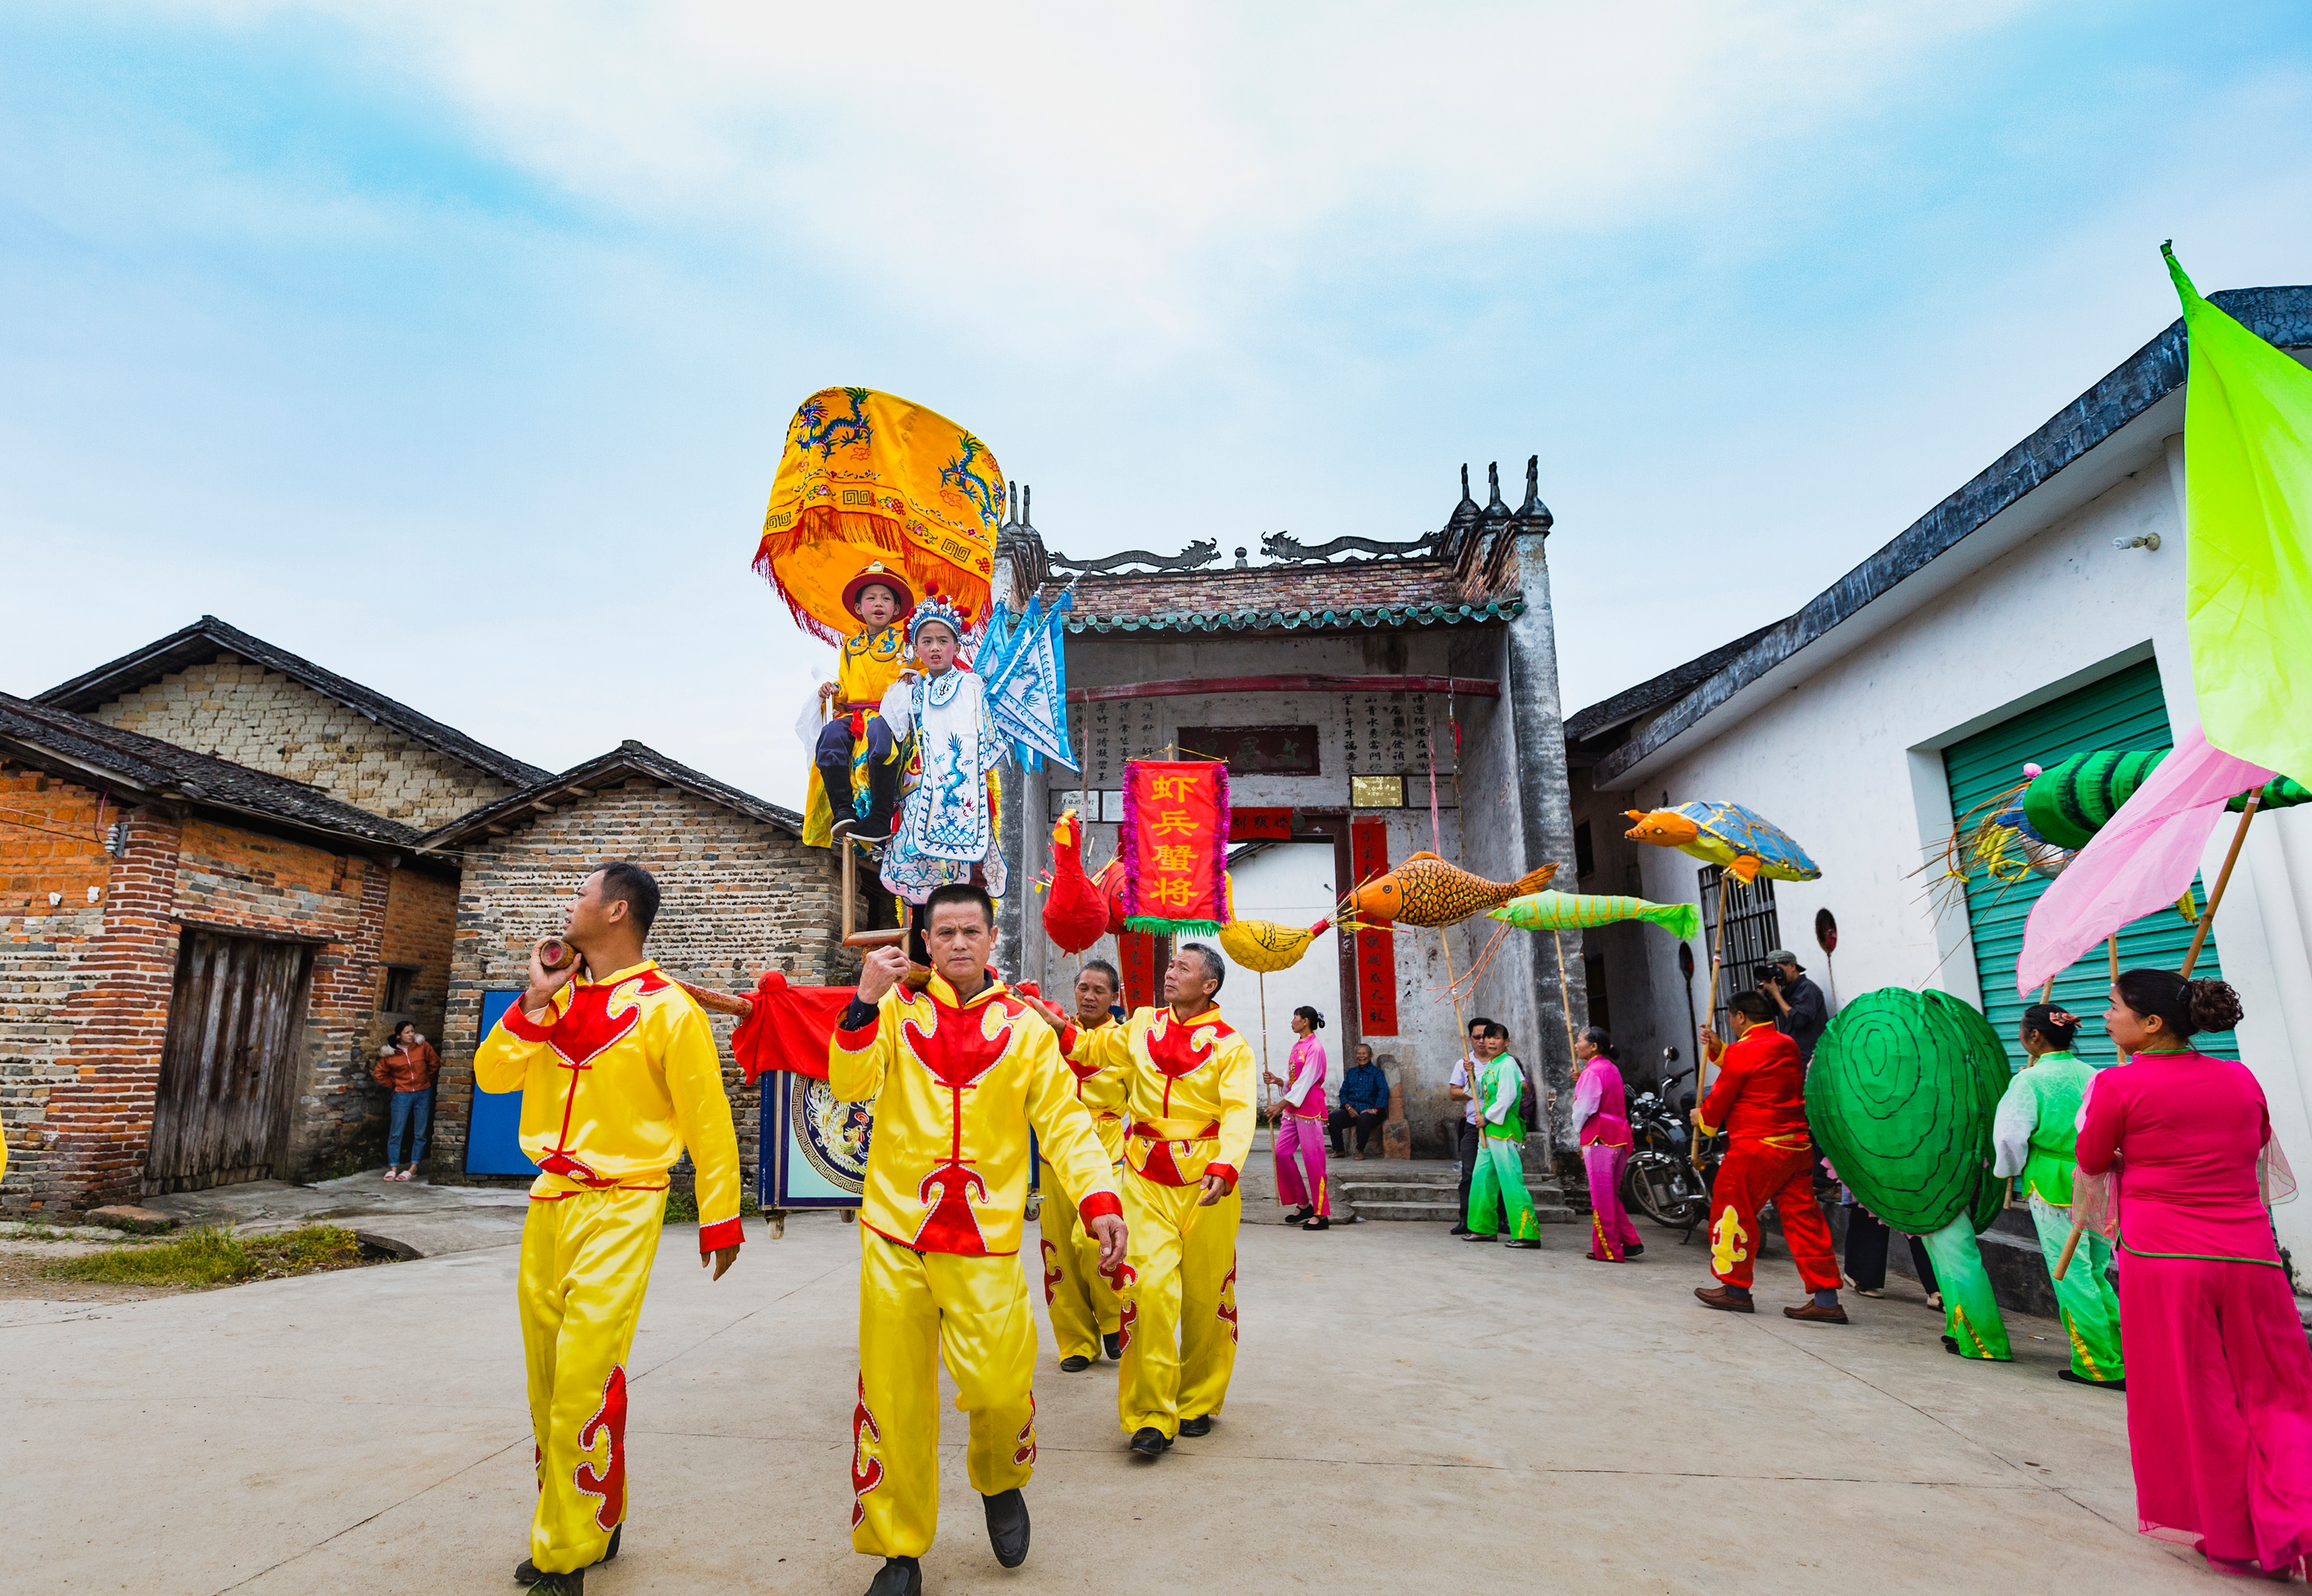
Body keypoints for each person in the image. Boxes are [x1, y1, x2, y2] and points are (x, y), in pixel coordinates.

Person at [832, 885, 1125, 1596]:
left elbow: (1063, 1122)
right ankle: (898, 1551)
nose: (958, 943)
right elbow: (848, 1083)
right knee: (895, 1398)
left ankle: (999, 1479)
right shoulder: (894, 1012)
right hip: (897, 1232)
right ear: (925, 943)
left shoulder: (1024, 1029)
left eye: (971, 931)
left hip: (985, 1239)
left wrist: (1097, 1199)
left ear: (993, 939)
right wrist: (863, 1004)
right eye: (944, 933)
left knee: (998, 1388)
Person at [474, 861, 745, 1596]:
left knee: (586, 1375)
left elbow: (708, 1123)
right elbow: (493, 1076)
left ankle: (566, 1552)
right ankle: (594, 1512)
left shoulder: (670, 1010)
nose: (567, 904)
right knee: (546, 1378)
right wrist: (533, 1000)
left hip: (627, 1201)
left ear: (617, 911)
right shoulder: (553, 1001)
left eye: (578, 893)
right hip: (549, 1202)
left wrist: (720, 1218)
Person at [2077, 969, 2312, 1580]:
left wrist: (2134, 1146)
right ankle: (2300, 1522)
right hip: (2252, 1259)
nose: (2105, 1018)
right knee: (2278, 1397)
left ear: (2150, 1024)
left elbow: (2093, 1158)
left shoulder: (2115, 1085)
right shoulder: (2239, 1077)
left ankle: (2237, 1535)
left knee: (2199, 1400)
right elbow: (2253, 1143)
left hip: (2165, 1263)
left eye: (2113, 1008)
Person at [1030, 942, 1255, 1460]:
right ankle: (1151, 1415)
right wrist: (1055, 1025)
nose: (1170, 974)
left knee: (1205, 1298)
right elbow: (1093, 1051)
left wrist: (1226, 1164)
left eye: (1183, 968)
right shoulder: (1141, 1026)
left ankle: (1197, 1399)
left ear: (1209, 985)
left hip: (1207, 1185)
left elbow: (1242, 1110)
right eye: (1171, 966)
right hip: (1144, 1178)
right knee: (1147, 1290)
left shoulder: (1230, 1045)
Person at [1991, 1003, 2123, 1388]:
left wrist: (2009, 1170)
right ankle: (2122, 1353)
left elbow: (2008, 1138)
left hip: (2050, 1182)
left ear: (2033, 1037)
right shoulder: (2094, 1075)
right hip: (2097, 1177)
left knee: (2070, 1274)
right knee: (2096, 1270)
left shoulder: (2029, 1081)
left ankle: (2098, 1363)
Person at [1693, 992, 1844, 1322]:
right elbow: (1753, 1068)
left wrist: (1702, 1118)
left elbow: (1722, 1094)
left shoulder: (1745, 1051)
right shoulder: (1786, 1044)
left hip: (1756, 1147)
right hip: (1797, 1148)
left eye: (1732, 1017)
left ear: (1742, 1017)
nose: (1731, 1023)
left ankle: (1734, 1289)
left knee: (1733, 1210)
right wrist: (1719, 1049)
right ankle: (1826, 1298)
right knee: (1805, 1220)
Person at [878, 597, 1006, 911]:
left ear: (956, 647)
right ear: (916, 649)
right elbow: (894, 733)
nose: (935, 648)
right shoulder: (910, 690)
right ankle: (926, 950)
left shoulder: (969, 685)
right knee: (918, 878)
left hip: (957, 789)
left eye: (943, 641)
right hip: (915, 789)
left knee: (957, 883)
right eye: (927, 641)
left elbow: (985, 739)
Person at [1042, 959, 1129, 1372]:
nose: (1089, 996)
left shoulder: (1124, 1041)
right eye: (1082, 988)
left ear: (1115, 996)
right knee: (1057, 1248)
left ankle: (1114, 1320)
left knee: (1095, 1239)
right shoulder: (1048, 1030)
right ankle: (1075, 1340)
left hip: (1105, 1148)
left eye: (1099, 990)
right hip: (1053, 1151)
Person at [810, 562, 913, 844]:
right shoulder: (850, 646)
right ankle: (843, 810)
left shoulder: (906, 643)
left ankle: (880, 815)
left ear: (895, 609)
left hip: (888, 713)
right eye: (871, 598)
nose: (878, 604)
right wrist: (833, 689)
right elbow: (846, 686)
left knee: (881, 735)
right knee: (830, 736)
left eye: (886, 599)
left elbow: (914, 675)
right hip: (855, 715)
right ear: (859, 608)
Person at [1463, 1022, 1542, 1249]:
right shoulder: (1491, 1066)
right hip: (1489, 1133)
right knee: (1482, 1178)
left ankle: (1528, 1233)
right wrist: (1470, 1074)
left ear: (1506, 1042)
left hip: (1503, 1130)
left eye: (1496, 1038)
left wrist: (1486, 1118)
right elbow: (1476, 1092)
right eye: (1487, 1038)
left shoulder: (1507, 1066)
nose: (1490, 1042)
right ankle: (1482, 1228)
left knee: (1511, 1180)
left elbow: (1506, 1098)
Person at [1571, 1027, 1642, 1262]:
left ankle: (1609, 1248)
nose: (1576, 1045)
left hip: (1600, 1136)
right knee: (1610, 1193)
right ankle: (1630, 1240)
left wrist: (1578, 1128)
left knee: (1601, 1196)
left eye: (1580, 1041)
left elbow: (1585, 1108)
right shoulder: (1610, 1068)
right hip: (1619, 1135)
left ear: (1593, 1046)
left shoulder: (1593, 1073)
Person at [1267, 1005, 1332, 1231]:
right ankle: (1303, 1204)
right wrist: (1278, 1081)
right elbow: (1292, 1079)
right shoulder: (1297, 1046)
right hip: (1293, 1109)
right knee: (1282, 1153)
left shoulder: (1316, 1048)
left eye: (1295, 1017)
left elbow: (1305, 1084)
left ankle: (1322, 1214)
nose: (1292, 1021)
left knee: (1313, 1161)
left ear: (1305, 1021)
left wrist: (1278, 1106)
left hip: (1309, 1108)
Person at [374, 1020, 440, 1181]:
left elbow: (434, 1063)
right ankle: (393, 1167)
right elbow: (379, 1074)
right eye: (407, 1032)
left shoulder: (423, 1047)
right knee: (397, 1132)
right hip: (402, 1095)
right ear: (398, 1036)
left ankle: (413, 1167)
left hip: (423, 1093)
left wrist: (426, 1081)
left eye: (412, 1031)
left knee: (420, 1132)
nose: (411, 1035)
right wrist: (396, 1085)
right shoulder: (390, 1054)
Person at [1446, 1018, 1491, 1235]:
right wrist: (1471, 1087)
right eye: (1477, 1037)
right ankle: (1466, 1218)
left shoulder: (1503, 1062)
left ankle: (1499, 1218)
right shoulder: (1463, 1064)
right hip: (1474, 1124)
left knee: (1497, 1173)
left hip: (1497, 1125)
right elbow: (1453, 1093)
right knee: (1470, 1172)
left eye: (1487, 1036)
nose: (1482, 1041)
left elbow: (1524, 1087)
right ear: (1470, 1039)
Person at [1758, 948, 1829, 1065]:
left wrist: (1776, 994)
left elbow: (1799, 1020)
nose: (1776, 974)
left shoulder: (1808, 989)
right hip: (1793, 1057)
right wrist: (1763, 993)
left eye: (1777, 969)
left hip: (1811, 1059)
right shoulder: (1788, 992)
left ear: (1792, 966)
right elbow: (1764, 1013)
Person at [1329, 1042, 1388, 1159]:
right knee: (1332, 1118)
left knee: (1364, 1119)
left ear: (1370, 1055)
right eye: (1359, 1054)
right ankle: (1339, 1150)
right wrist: (1348, 1108)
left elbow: (1384, 1091)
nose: (1361, 1056)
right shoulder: (1351, 1073)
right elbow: (1343, 1092)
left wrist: (1375, 1110)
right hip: (1353, 1110)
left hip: (1371, 1112)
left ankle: (1360, 1150)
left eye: (1364, 1053)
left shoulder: (1377, 1073)